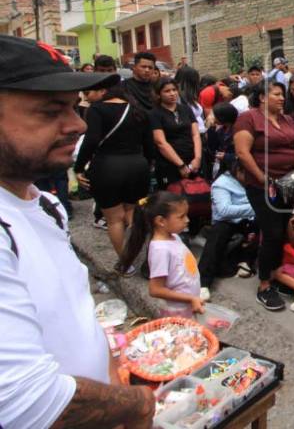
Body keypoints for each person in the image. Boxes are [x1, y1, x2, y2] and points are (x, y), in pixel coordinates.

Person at [0, 35, 154, 428]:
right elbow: (25, 404)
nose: (77, 124)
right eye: (50, 111)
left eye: (72, 107)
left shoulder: (46, 207)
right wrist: (134, 403)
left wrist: (111, 372)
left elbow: (72, 313)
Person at [74, 82, 153, 272]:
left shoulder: (97, 110)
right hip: (137, 165)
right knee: (132, 212)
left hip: (107, 166)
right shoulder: (137, 109)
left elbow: (91, 140)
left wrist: (79, 167)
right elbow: (149, 143)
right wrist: (147, 164)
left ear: (103, 91)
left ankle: (126, 264)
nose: (88, 95)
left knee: (114, 219)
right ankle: (142, 257)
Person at [234, 80, 294, 311]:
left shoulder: (287, 119)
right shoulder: (249, 118)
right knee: (271, 232)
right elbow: (242, 151)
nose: (282, 98)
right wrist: (261, 178)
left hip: (289, 183)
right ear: (262, 97)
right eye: (277, 94)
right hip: (263, 185)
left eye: (283, 95)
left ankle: (276, 275)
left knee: (282, 231)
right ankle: (264, 285)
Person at [120, 191, 205, 317]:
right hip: (177, 311)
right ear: (161, 221)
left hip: (188, 305)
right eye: (181, 217)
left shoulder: (174, 237)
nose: (187, 220)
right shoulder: (160, 250)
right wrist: (190, 298)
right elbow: (155, 289)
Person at [199, 159, 256, 297]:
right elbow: (224, 210)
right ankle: (203, 283)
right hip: (228, 222)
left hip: (250, 221)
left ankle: (246, 261)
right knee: (218, 233)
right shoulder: (222, 184)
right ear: (238, 170)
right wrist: (256, 208)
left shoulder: (254, 181)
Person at [150, 77, 202, 188]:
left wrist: (197, 158)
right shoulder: (155, 113)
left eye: (174, 90)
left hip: (192, 159)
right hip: (170, 163)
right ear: (158, 94)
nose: (172, 93)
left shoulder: (185, 109)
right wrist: (181, 165)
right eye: (167, 91)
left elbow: (195, 134)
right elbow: (160, 142)